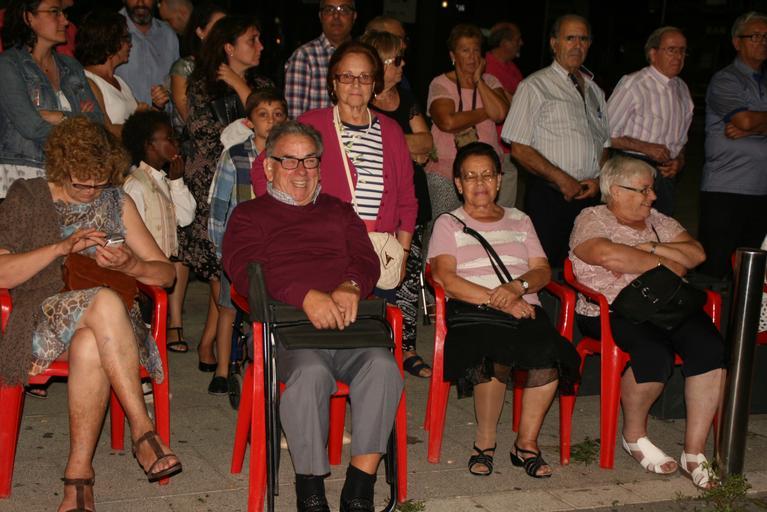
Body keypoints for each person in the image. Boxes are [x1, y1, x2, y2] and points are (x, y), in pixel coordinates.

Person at [0, 116, 182, 512]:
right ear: (60, 167)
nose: (90, 192)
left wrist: (131, 265)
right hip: (42, 317)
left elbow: (166, 274)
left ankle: (79, 477)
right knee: (104, 301)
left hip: (112, 330)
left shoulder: (116, 201)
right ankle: (143, 430)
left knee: (90, 340)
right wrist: (61, 248)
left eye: (98, 183)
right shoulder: (27, 196)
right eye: (80, 183)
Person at [223, 120, 403, 512]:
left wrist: (352, 285)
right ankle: (311, 490)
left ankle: (360, 486)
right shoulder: (249, 216)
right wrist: (304, 297)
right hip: (289, 330)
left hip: (349, 325)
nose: (301, 171)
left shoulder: (339, 211)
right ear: (269, 167)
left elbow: (365, 258)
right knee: (311, 374)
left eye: (310, 161)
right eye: (289, 161)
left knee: (384, 368)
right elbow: (245, 270)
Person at [570, 155, 725, 490]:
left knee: (710, 348)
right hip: (612, 310)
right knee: (654, 354)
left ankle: (694, 452)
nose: (652, 196)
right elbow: (605, 254)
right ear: (615, 190)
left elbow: (696, 254)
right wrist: (667, 261)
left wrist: (652, 246)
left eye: (651, 189)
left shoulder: (658, 222)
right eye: (643, 189)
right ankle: (634, 436)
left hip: (666, 305)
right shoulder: (592, 218)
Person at [428, 142, 580, 478]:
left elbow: (542, 271)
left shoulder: (520, 220)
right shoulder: (449, 224)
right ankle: (485, 442)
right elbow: (446, 279)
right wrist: (501, 300)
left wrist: (517, 288)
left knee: (550, 354)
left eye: (487, 175)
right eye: (470, 176)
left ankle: (525, 444)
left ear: (499, 180)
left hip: (523, 306)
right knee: (492, 353)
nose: (479, 183)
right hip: (474, 309)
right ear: (458, 184)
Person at [179, 15, 272, 375]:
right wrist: (233, 87)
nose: (261, 46)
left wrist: (239, 84)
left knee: (229, 276)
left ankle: (213, 346)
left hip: (256, 181)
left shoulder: (261, 84)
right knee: (224, 273)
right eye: (252, 39)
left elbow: (272, 126)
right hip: (215, 186)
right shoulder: (202, 86)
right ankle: (217, 348)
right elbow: (207, 139)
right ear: (229, 47)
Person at [501, 14, 609, 268]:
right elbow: (519, 148)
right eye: (570, 38)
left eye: (583, 39)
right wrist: (562, 179)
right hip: (550, 196)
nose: (577, 45)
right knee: (545, 268)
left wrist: (599, 180)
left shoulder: (595, 90)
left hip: (590, 196)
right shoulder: (535, 86)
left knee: (585, 267)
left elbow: (605, 143)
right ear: (554, 43)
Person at [360, 29, 433, 378]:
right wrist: (406, 146)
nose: (403, 65)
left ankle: (406, 347)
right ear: (379, 63)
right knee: (374, 276)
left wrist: (395, 144)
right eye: (397, 59)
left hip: (412, 200)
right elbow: (371, 146)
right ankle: (373, 344)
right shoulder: (361, 103)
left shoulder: (405, 97)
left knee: (406, 275)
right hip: (375, 206)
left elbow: (427, 143)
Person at [206, 88, 287, 394]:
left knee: (264, 310)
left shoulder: (287, 157)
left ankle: (264, 366)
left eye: (277, 114)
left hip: (275, 248)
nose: (271, 120)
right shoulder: (236, 155)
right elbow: (219, 204)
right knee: (228, 307)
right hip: (238, 247)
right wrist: (219, 248)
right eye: (263, 115)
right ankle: (222, 370)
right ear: (249, 122)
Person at [0, 0, 102, 200]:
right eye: (55, 12)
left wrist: (60, 117)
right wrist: (79, 119)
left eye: (63, 13)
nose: (65, 21)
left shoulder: (71, 66)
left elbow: (97, 121)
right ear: (29, 17)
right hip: (22, 175)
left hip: (68, 175)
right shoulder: (8, 65)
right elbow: (31, 127)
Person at [699, 11, 767, 279]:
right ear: (737, 42)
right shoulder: (726, 79)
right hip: (726, 189)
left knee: (751, 273)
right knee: (717, 272)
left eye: (766, 36)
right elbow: (743, 120)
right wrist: (749, 123)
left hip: (762, 189)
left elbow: (748, 122)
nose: (762, 41)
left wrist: (753, 125)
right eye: (755, 36)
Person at [122, 110, 196, 353]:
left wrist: (177, 181)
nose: (175, 144)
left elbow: (185, 218)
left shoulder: (164, 180)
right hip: (142, 273)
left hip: (160, 271)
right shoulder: (136, 184)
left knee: (151, 330)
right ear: (149, 145)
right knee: (139, 331)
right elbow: (129, 235)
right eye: (168, 138)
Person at [426, 23, 509, 217]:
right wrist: (485, 111)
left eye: (476, 50)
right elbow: (447, 122)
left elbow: (500, 114)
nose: (472, 57)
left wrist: (479, 81)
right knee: (445, 223)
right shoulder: (441, 83)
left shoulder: (490, 81)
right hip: (446, 171)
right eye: (465, 50)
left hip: (485, 171)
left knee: (481, 224)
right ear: (453, 56)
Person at [607, 26, 693, 216]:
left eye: (682, 51)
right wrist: (645, 148)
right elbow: (603, 132)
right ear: (653, 54)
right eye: (671, 50)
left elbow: (681, 141)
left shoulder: (682, 89)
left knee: (660, 228)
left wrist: (679, 160)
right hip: (631, 172)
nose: (678, 56)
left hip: (665, 174)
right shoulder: (634, 84)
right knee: (629, 229)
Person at [77, 10, 149, 137]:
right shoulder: (88, 81)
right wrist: (138, 121)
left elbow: (142, 113)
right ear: (110, 41)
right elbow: (104, 130)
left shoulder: (119, 80)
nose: (130, 44)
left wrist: (156, 106)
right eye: (126, 38)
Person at [284, 0, 356, 119]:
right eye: (329, 10)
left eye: (343, 10)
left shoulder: (363, 57)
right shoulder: (305, 57)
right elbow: (294, 119)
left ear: (354, 16)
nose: (336, 16)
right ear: (320, 16)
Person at [485, 21, 524, 208]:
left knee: (506, 205)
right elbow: (512, 105)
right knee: (496, 204)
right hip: (495, 144)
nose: (521, 43)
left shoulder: (511, 67)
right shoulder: (487, 66)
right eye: (517, 39)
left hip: (511, 144)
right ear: (504, 42)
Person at [117, 0, 176, 109]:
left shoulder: (168, 35)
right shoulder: (110, 32)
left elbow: (175, 84)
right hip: (123, 118)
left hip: (162, 118)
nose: (140, 2)